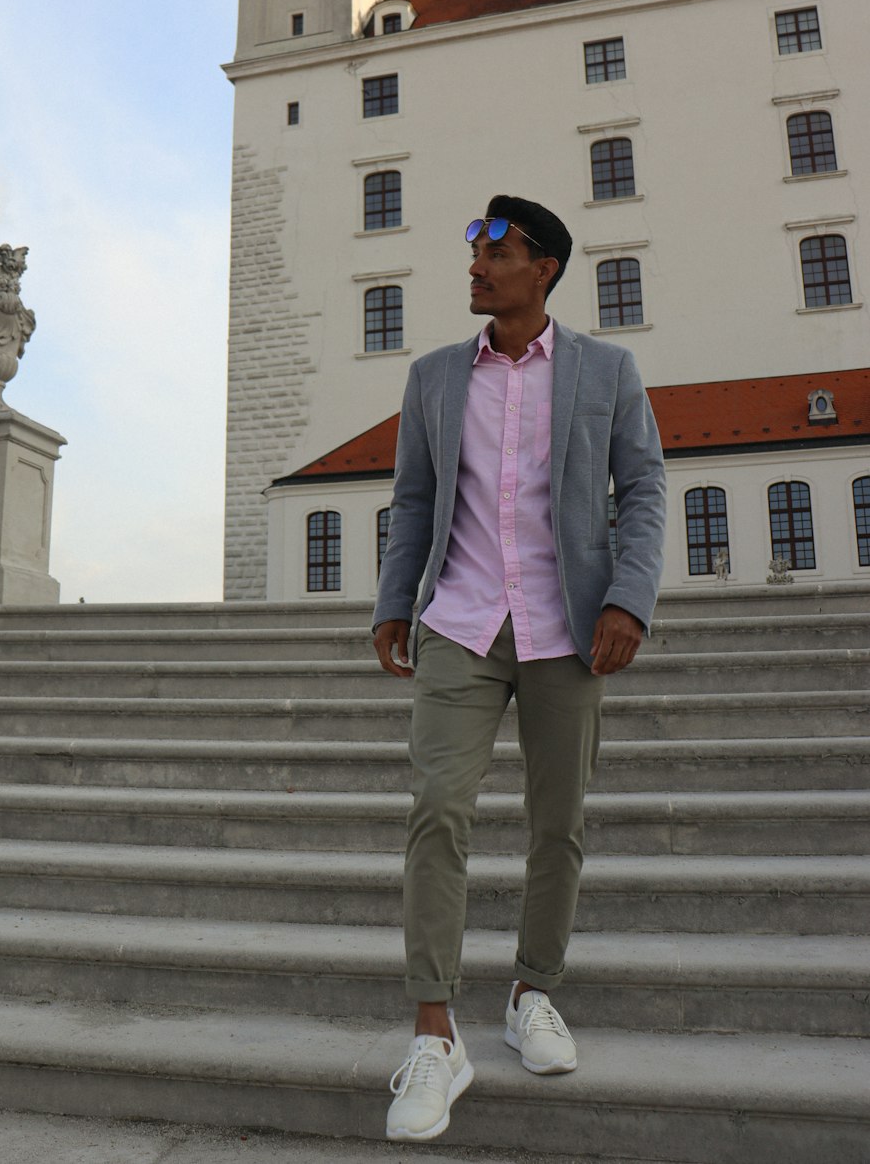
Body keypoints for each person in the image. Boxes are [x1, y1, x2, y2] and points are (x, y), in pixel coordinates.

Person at [373, 194, 666, 1143]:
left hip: (566, 626)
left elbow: (646, 488)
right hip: (458, 621)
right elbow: (413, 499)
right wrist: (390, 601)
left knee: (559, 824)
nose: (475, 266)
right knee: (438, 812)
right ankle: (433, 1031)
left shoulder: (607, 371)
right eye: (473, 252)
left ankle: (532, 993)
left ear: (542, 267)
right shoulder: (432, 379)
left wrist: (629, 598)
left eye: (494, 251)